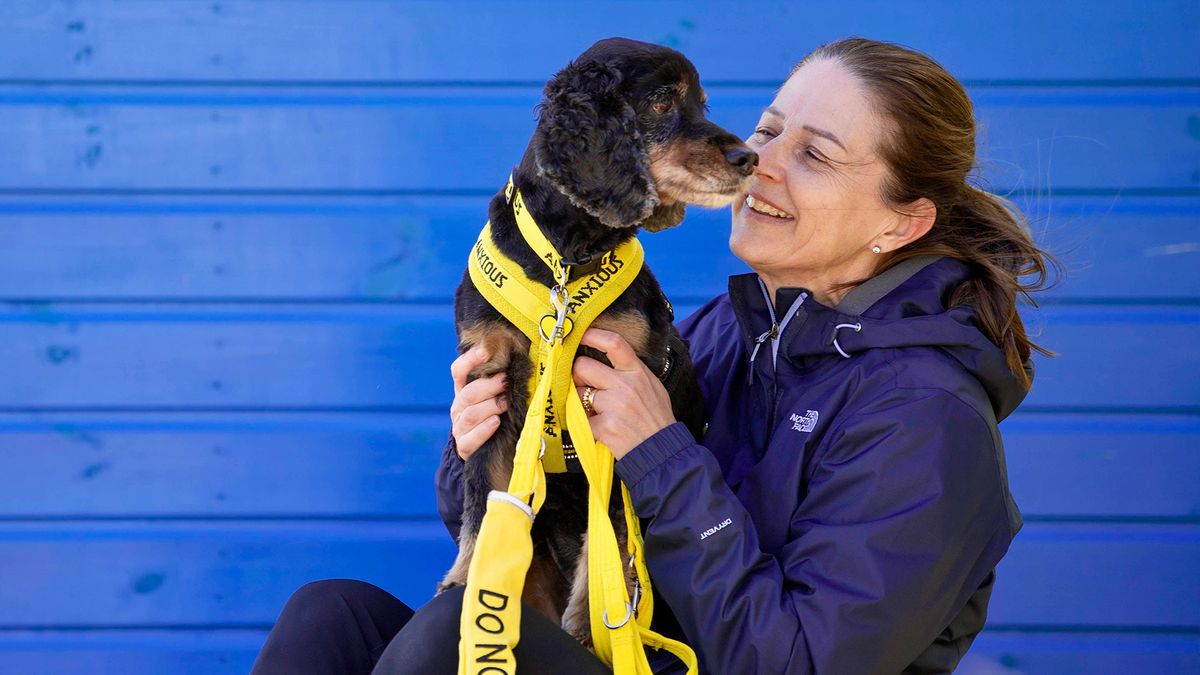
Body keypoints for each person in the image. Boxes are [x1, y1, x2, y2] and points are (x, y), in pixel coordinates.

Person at [252, 37, 1054, 674]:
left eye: (816, 154)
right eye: (769, 129)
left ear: (900, 224)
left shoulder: (927, 417)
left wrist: (659, 455)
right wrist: (481, 439)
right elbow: (548, 520)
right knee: (333, 615)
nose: (758, 159)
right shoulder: (727, 331)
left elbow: (800, 661)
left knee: (454, 639)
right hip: (621, 646)